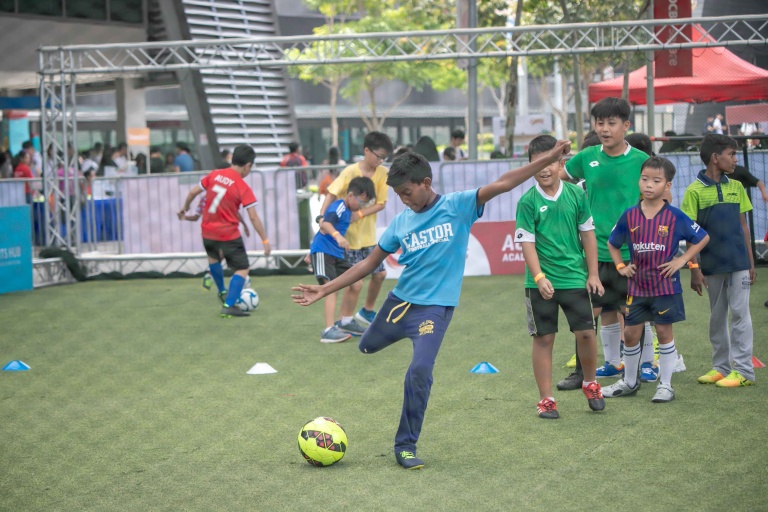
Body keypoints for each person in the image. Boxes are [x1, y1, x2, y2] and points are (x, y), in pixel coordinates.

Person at [292, 140, 571, 469]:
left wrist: (549, 159)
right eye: (398, 196)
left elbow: (503, 183)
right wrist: (325, 291)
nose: (403, 200)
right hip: (399, 304)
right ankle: (382, 335)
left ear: (426, 183)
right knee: (366, 346)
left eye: (407, 193)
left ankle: (405, 445)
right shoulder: (401, 223)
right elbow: (367, 264)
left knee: (421, 370)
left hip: (434, 311)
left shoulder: (458, 206)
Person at [556, 97, 650, 391]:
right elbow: (558, 179)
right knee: (588, 313)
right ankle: (583, 373)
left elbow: (658, 198)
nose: (605, 129)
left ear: (626, 126)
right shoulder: (586, 157)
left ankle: (643, 367)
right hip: (594, 250)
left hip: (631, 251)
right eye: (599, 123)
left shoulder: (641, 161)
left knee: (633, 313)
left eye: (611, 123)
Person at [602, 157, 709, 402]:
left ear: (668, 186)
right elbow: (612, 243)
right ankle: (629, 382)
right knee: (630, 334)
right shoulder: (629, 215)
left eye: (656, 180)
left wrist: (682, 261)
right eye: (644, 179)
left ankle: (666, 385)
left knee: (663, 333)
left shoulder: (674, 216)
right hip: (637, 287)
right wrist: (620, 265)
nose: (649, 185)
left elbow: (702, 237)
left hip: (665, 287)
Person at [515, 135, 605, 419]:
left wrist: (593, 273)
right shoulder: (527, 202)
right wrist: (539, 277)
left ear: (561, 163)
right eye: (537, 163)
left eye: (550, 162)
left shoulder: (577, 194)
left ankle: (590, 383)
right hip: (540, 285)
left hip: (575, 279)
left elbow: (588, 233)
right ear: (530, 166)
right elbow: (526, 243)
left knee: (587, 334)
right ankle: (546, 400)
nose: (544, 169)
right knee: (544, 339)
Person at [681, 134, 757, 388]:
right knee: (717, 316)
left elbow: (743, 227)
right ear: (716, 158)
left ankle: (744, 370)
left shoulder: (736, 187)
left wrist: (751, 262)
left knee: (740, 314)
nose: (735, 159)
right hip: (712, 266)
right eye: (731, 154)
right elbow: (691, 234)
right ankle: (721, 368)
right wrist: (694, 268)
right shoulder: (693, 191)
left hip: (738, 264)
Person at [178, 145, 271, 318]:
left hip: (207, 231)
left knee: (213, 259)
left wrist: (185, 208)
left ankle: (222, 291)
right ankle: (229, 305)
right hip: (228, 234)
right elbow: (254, 218)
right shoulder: (242, 187)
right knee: (242, 268)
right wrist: (265, 240)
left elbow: (192, 192)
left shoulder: (214, 175)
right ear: (248, 166)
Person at [320, 131, 394, 335]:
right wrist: (322, 218)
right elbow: (331, 194)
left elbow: (380, 204)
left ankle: (366, 312)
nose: (381, 161)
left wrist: (359, 213)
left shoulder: (382, 174)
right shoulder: (350, 172)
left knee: (379, 274)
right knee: (353, 281)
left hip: (368, 237)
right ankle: (344, 320)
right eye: (378, 156)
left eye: (384, 158)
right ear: (366, 151)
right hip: (347, 239)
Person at [310, 177, 376, 343]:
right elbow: (325, 224)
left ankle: (345, 322)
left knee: (357, 282)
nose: (362, 206)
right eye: (361, 201)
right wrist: (338, 236)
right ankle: (328, 330)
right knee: (331, 288)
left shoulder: (348, 211)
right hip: (324, 251)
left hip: (337, 254)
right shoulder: (339, 206)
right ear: (351, 195)